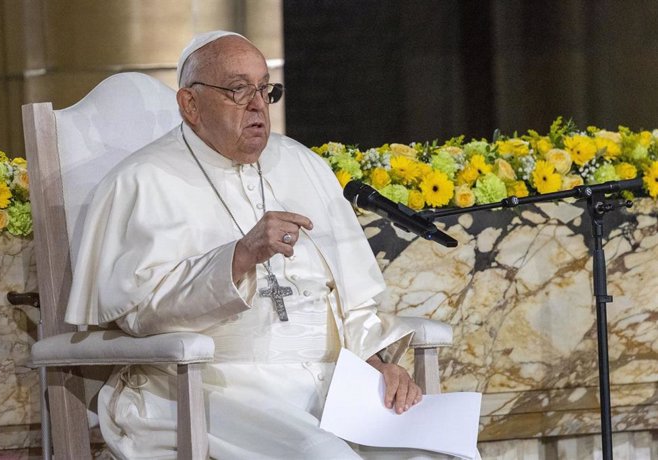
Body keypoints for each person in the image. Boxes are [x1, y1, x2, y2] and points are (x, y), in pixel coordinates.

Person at [65, 30, 450, 459]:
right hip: (213, 386)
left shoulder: (303, 164)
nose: (257, 106)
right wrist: (239, 257)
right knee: (324, 455)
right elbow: (140, 313)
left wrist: (377, 361)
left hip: (334, 381)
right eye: (237, 90)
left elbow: (353, 299)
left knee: (431, 452)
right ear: (189, 104)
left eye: (265, 90)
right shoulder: (139, 181)